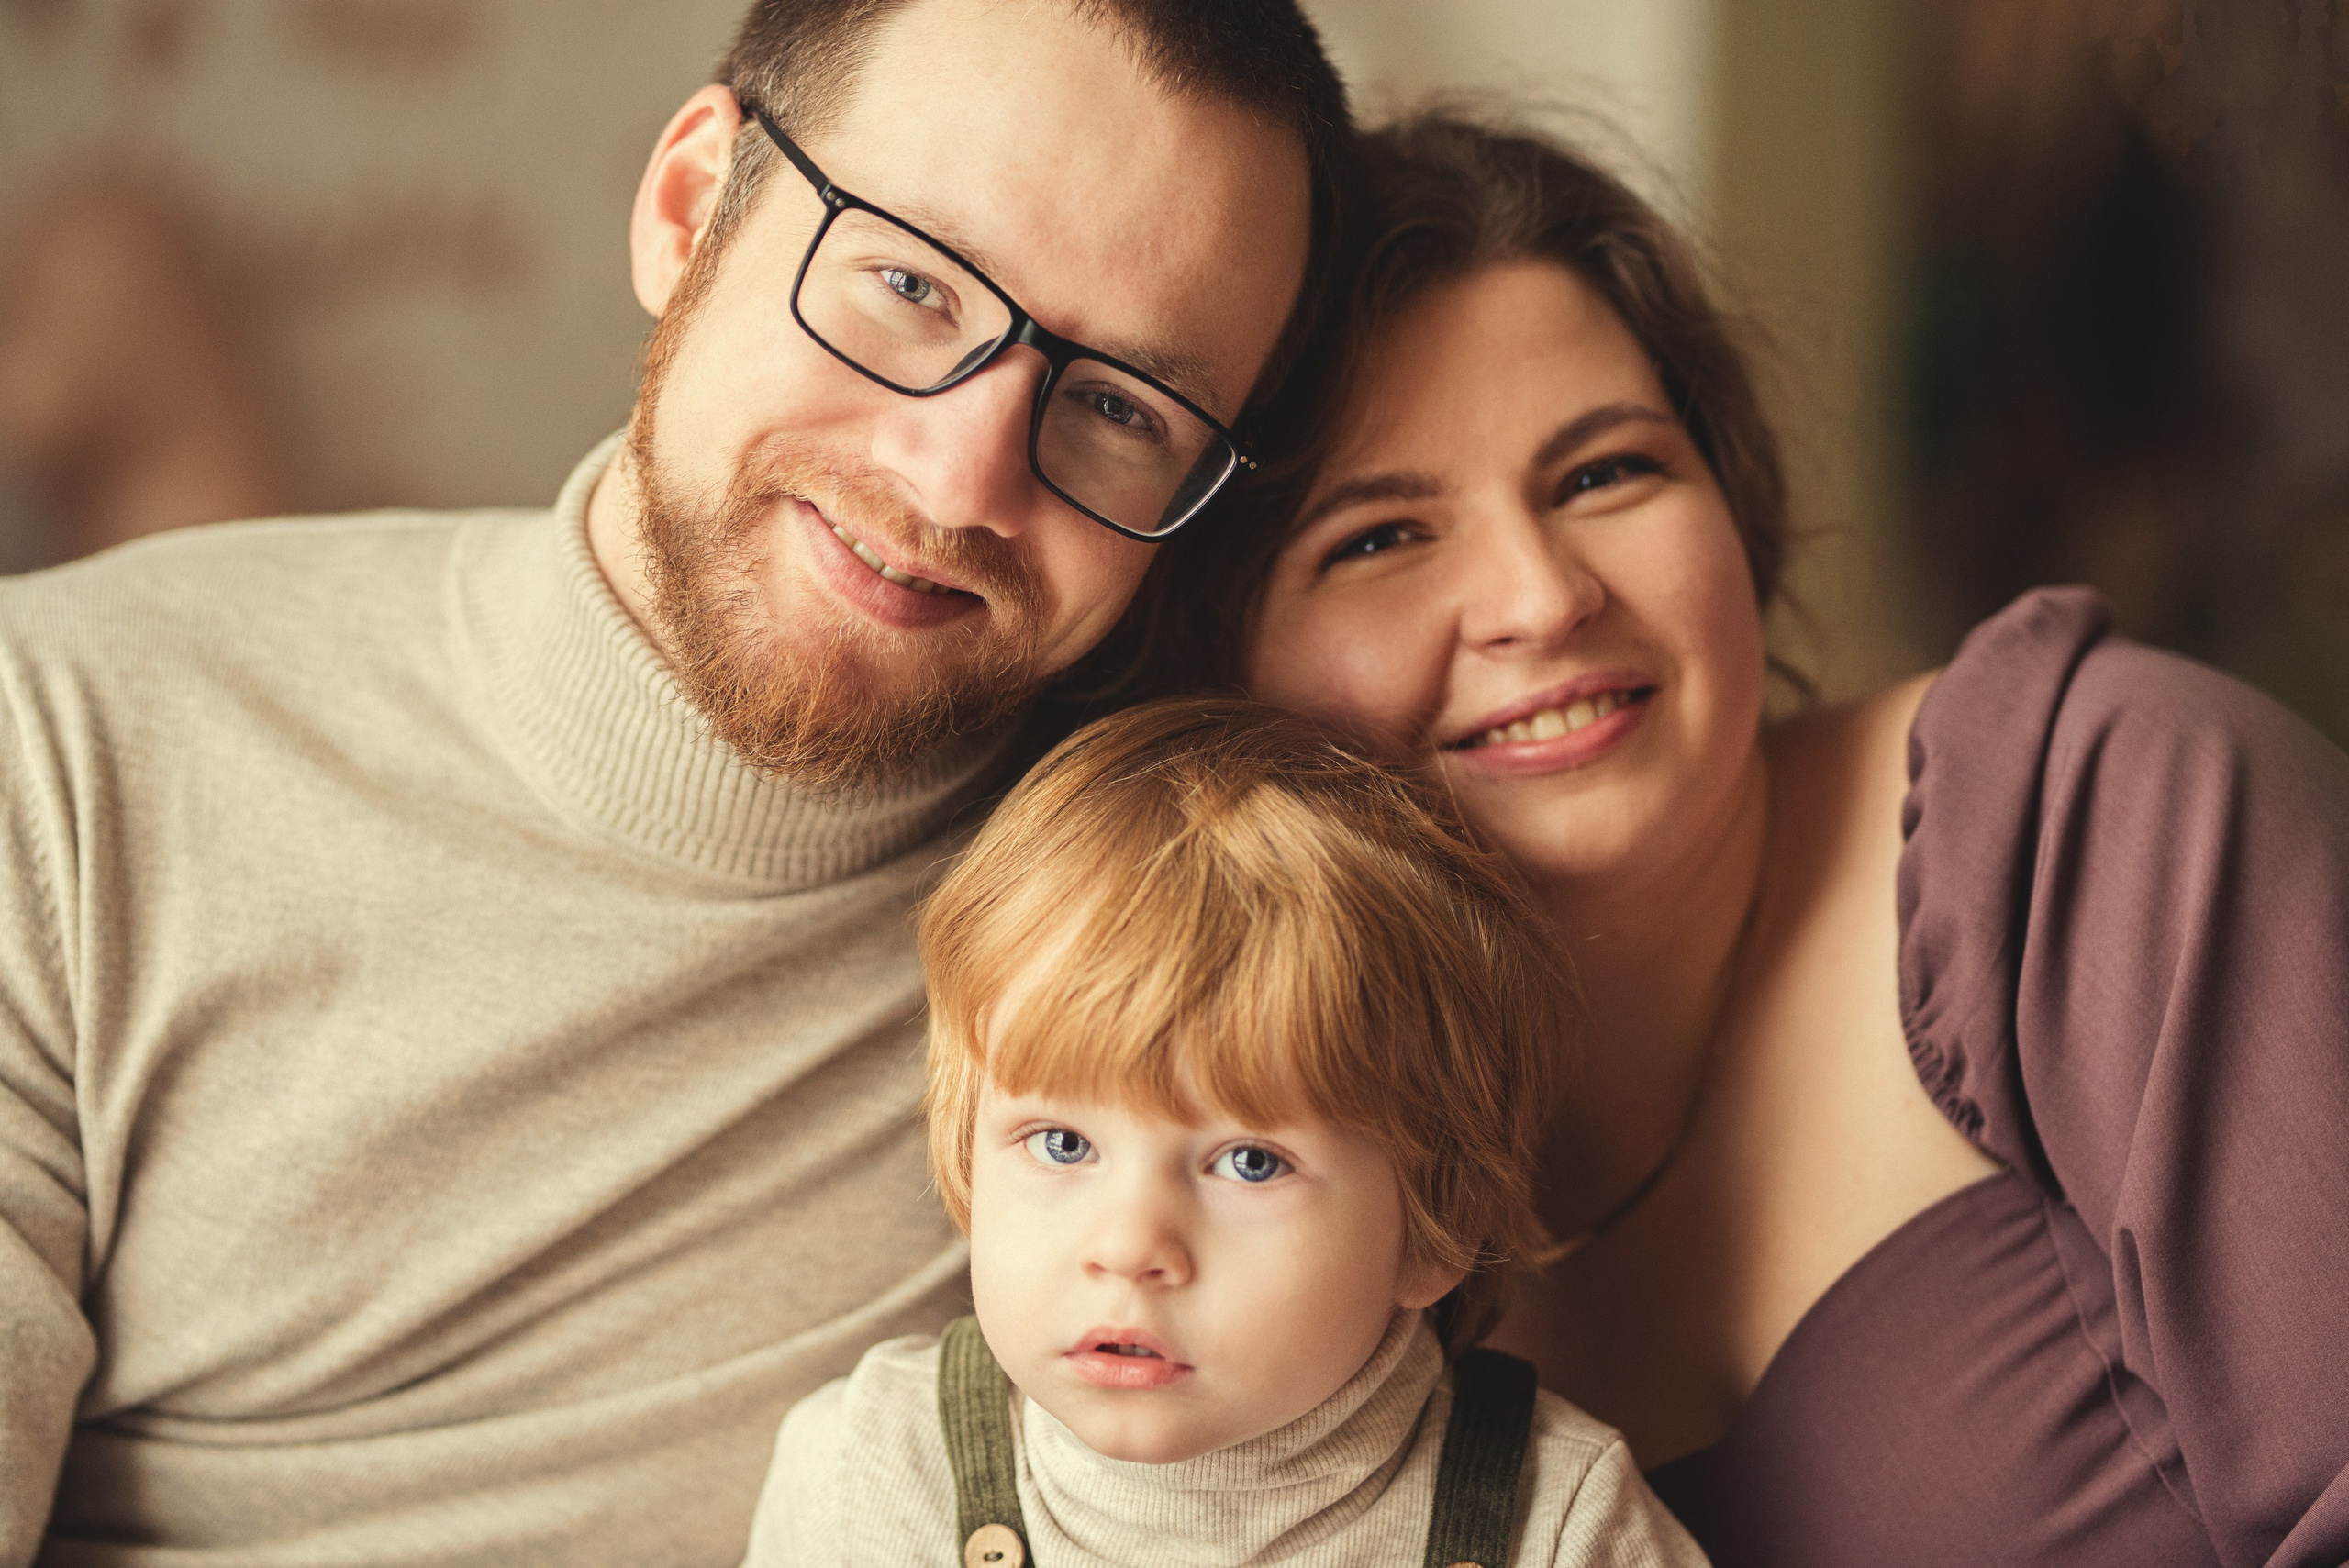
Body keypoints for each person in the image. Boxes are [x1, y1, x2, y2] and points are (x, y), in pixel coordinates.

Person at [0, 3, 1348, 1562]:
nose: (955, 477)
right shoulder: (61, 748)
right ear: (687, 208)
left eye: (1120, 406)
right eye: (909, 284)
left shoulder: (1178, 937)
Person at [1202, 113, 2349, 1568]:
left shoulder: (2105, 811)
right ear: (1220, 679)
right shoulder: (1218, 1170)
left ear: (1735, 508)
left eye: (1604, 473)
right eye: (1378, 537)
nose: (1542, 597)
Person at [740, 696, 1707, 1568]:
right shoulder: (866, 1474)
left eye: (1249, 1161)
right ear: (965, 1156)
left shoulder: (1556, 1523)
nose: (1129, 1246)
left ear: (1434, 1224)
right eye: (1062, 1144)